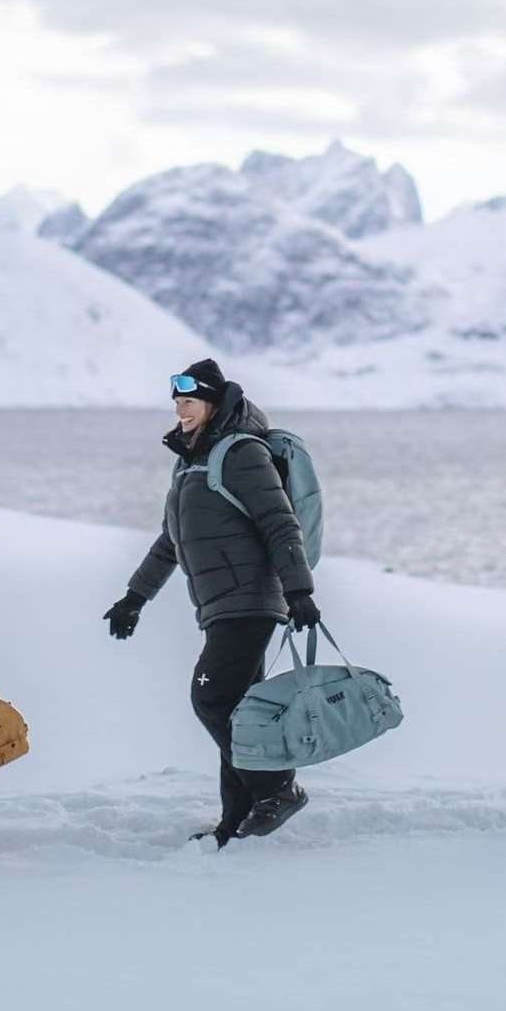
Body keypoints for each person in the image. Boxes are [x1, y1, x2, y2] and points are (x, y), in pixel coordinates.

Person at [104, 359, 320, 848]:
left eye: (191, 402)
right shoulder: (191, 462)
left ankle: (277, 788)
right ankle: (235, 821)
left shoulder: (241, 452)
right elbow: (171, 540)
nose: (181, 410)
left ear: (214, 405)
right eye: (178, 402)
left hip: (250, 600)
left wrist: (299, 590)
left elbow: (279, 522)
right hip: (219, 603)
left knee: (213, 697)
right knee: (239, 709)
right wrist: (134, 598)